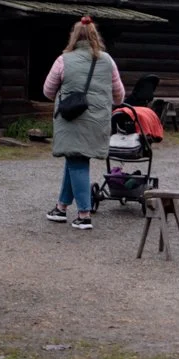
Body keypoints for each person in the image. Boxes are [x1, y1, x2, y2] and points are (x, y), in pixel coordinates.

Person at [43, 16, 125, 230]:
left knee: (77, 162)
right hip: (98, 120)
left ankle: (84, 214)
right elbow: (119, 96)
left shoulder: (63, 60)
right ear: (95, 37)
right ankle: (61, 208)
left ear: (74, 37)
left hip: (71, 119)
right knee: (74, 160)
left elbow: (47, 91)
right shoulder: (108, 60)